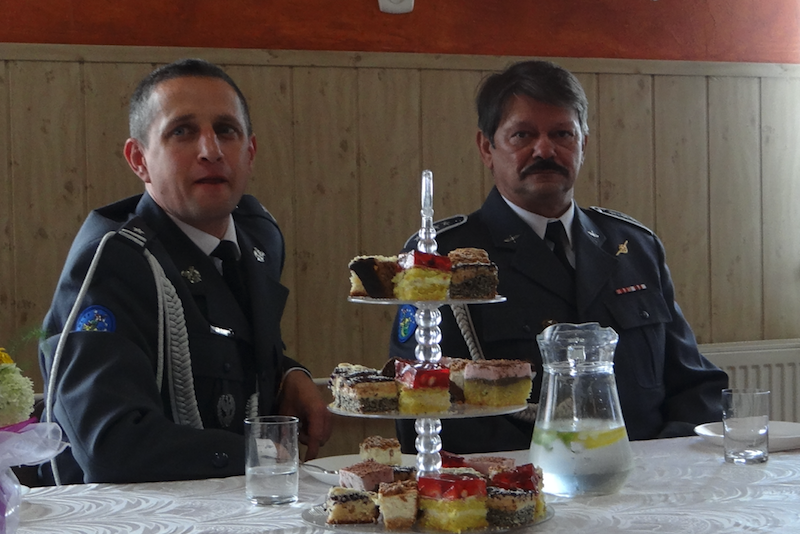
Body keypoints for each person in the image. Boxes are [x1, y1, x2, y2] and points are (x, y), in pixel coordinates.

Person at [389, 59, 726, 454]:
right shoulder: (440, 258)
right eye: (522, 135)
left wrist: (663, 458)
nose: (545, 149)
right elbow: (420, 404)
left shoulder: (634, 247)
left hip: (646, 482)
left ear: (584, 142)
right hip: (517, 491)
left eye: (562, 133)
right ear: (487, 147)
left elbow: (695, 384)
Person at [39, 59, 331, 483]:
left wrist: (290, 374)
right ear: (139, 159)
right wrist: (263, 454)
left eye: (226, 130)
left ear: (249, 152)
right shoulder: (113, 264)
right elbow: (112, 446)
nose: (210, 150)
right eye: (183, 131)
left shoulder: (259, 237)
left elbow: (226, 343)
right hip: (141, 529)